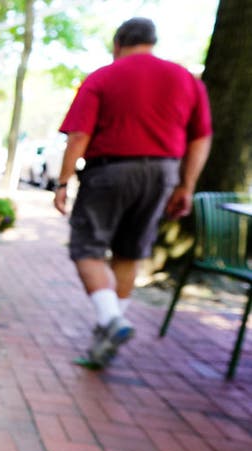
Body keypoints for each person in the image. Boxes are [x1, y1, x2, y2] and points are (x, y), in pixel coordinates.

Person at [53, 17, 212, 367]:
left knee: (87, 248)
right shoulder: (186, 79)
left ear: (117, 44)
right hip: (163, 173)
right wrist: (187, 184)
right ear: (152, 42)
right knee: (129, 253)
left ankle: (112, 320)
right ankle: (105, 342)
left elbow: (79, 135)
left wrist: (63, 181)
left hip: (110, 170)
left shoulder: (104, 76)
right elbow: (201, 136)